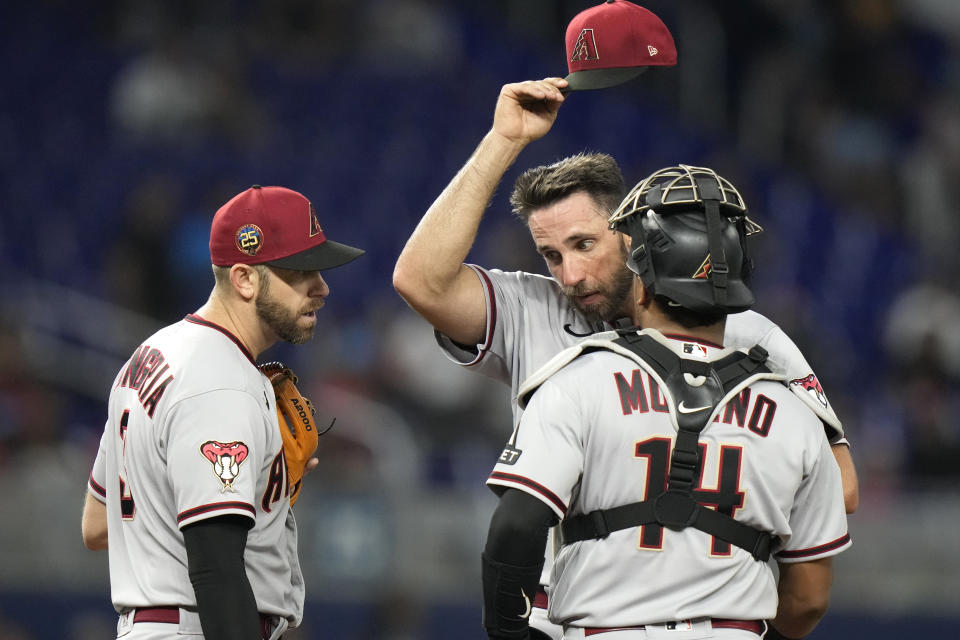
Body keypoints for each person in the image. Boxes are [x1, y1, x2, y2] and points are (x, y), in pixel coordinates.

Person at [392, 77, 858, 639]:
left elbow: (839, 483)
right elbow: (419, 280)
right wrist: (503, 140)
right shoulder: (533, 307)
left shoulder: (747, 331)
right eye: (550, 255)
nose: (569, 275)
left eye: (584, 244)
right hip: (561, 611)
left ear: (636, 236)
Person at [481, 163, 851, 640]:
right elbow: (809, 599)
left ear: (640, 269)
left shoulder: (577, 379)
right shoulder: (793, 409)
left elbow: (515, 527)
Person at [81, 185, 364, 640]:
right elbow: (216, 570)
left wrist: (256, 490)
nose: (322, 287)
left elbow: (97, 525)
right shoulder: (221, 382)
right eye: (302, 271)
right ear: (245, 279)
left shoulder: (150, 354)